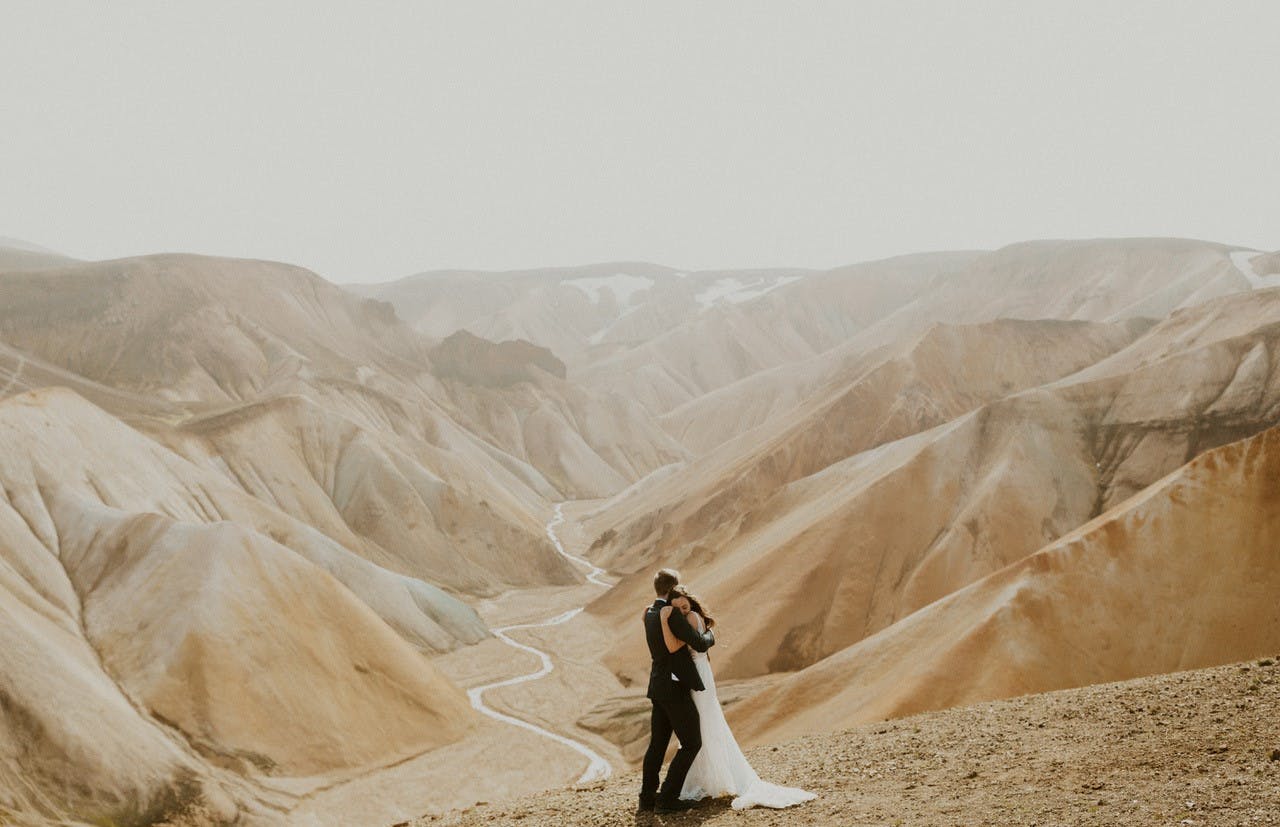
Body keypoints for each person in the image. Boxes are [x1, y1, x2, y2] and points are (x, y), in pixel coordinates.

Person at [661, 585, 816, 810]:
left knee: (702, 725)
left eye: (684, 606)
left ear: (690, 603)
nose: (682, 612)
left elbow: (685, 645)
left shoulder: (691, 619)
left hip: (698, 676)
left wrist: (667, 621)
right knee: (704, 725)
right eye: (677, 609)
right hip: (699, 674)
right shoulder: (693, 618)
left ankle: (707, 780)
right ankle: (708, 778)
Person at [639, 568, 715, 815]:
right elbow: (698, 642)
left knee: (657, 746)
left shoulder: (649, 613)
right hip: (674, 689)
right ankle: (669, 798)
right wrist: (710, 633)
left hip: (657, 686)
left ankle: (647, 798)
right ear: (673, 588)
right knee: (692, 742)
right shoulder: (670, 616)